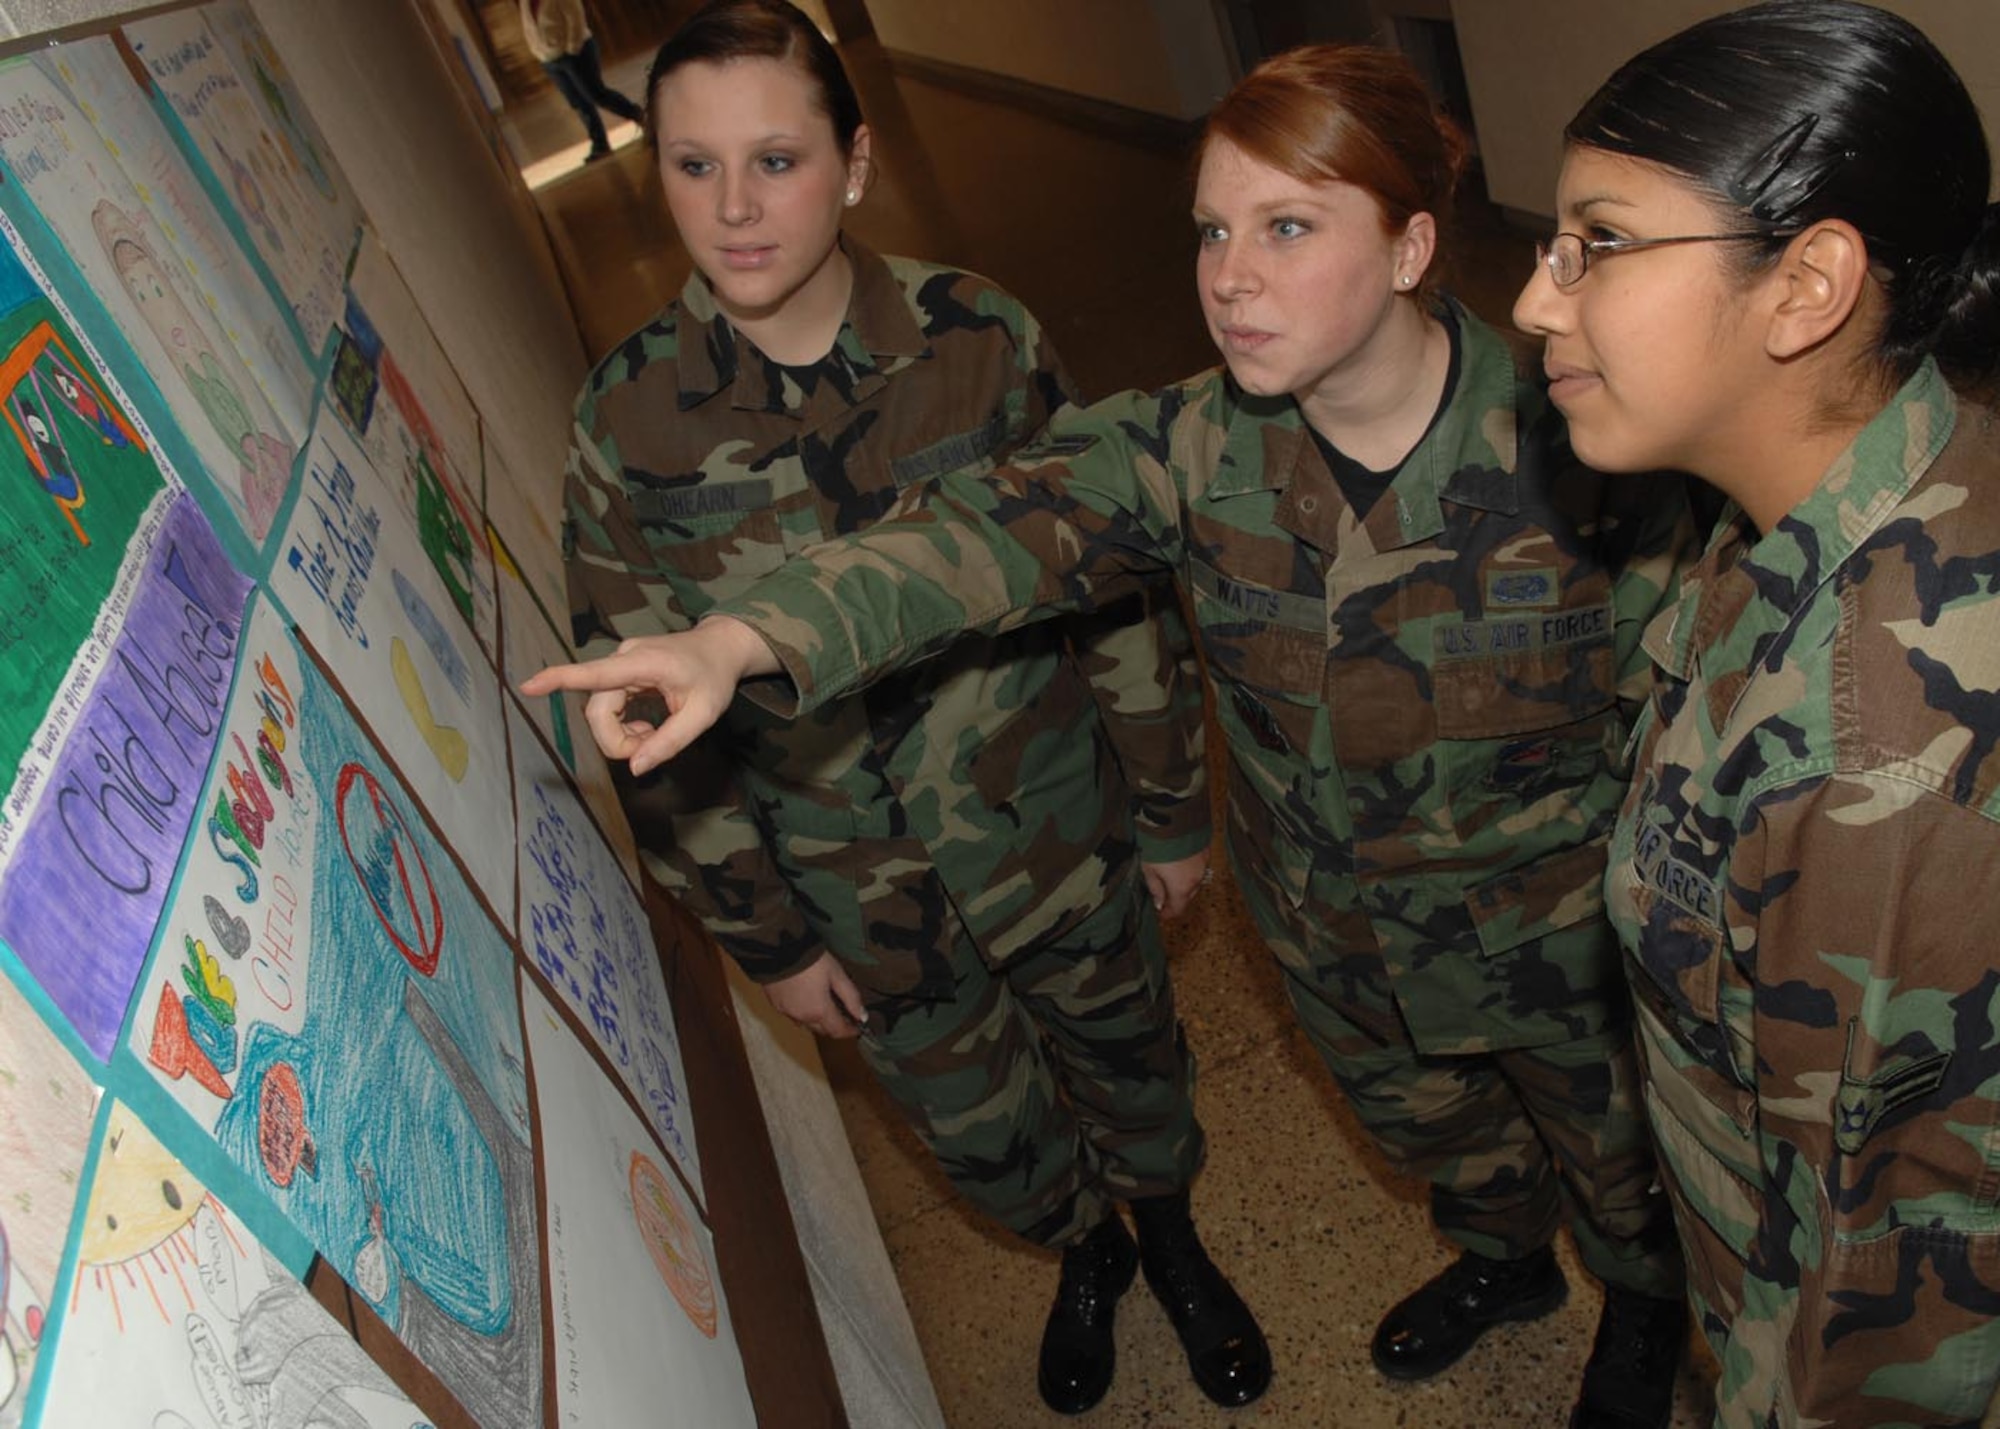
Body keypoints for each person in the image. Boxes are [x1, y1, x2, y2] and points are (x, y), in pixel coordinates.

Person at [529, 43, 1697, 1429]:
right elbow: (981, 534)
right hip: (1338, 943)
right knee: (1433, 1131)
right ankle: (1506, 1261)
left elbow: (1684, 739)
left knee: (1620, 1159)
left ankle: (1642, 1304)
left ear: (1410, 245)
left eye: (1286, 228)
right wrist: (743, 637)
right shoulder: (1183, 449)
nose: (1229, 277)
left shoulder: (1584, 457)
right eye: (1211, 229)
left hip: (1556, 944)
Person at [541, 0, 1268, 1414]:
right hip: (854, 892)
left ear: (855, 163)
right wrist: (769, 942)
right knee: (984, 1129)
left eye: (777, 159)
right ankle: (1083, 1252)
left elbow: (1106, 581)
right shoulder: (624, 425)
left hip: (1052, 817)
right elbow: (647, 728)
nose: (736, 210)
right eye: (693, 167)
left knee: (1130, 1055)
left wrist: (1174, 803)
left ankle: (1169, 1238)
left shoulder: (976, 336)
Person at [1511, 3, 2000, 1425]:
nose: (1540, 300)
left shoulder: (1889, 764)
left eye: (1598, 243)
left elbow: (1877, 1306)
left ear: (1807, 285)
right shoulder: (1819, 484)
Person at [518, 0, 644, 161]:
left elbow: (575, 17)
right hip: (550, 59)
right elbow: (530, 27)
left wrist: (572, 48)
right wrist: (538, 51)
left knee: (596, 94)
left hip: (576, 53)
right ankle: (600, 144)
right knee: (578, 103)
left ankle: (638, 116)